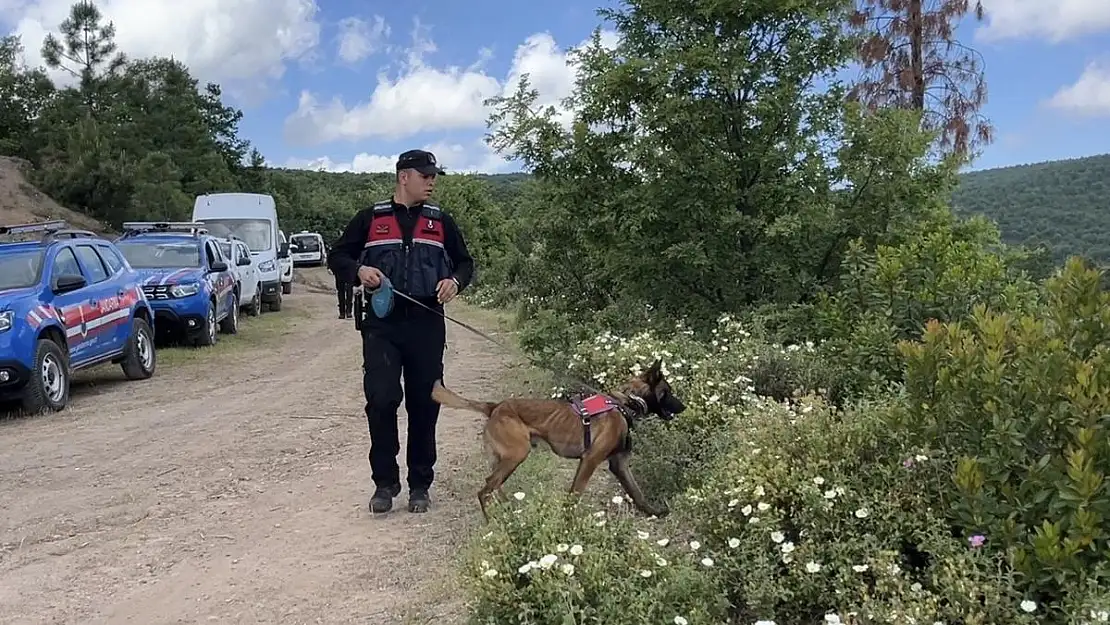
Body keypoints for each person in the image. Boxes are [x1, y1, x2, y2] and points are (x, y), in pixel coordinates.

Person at [327, 149, 474, 514]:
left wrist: (454, 282)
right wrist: (358, 272)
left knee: (425, 404)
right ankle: (384, 483)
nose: (431, 181)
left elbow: (465, 263)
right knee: (381, 400)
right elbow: (338, 256)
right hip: (382, 324)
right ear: (403, 176)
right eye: (424, 175)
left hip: (427, 322)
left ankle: (420, 484)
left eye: (433, 175)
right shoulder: (370, 218)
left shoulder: (441, 222)